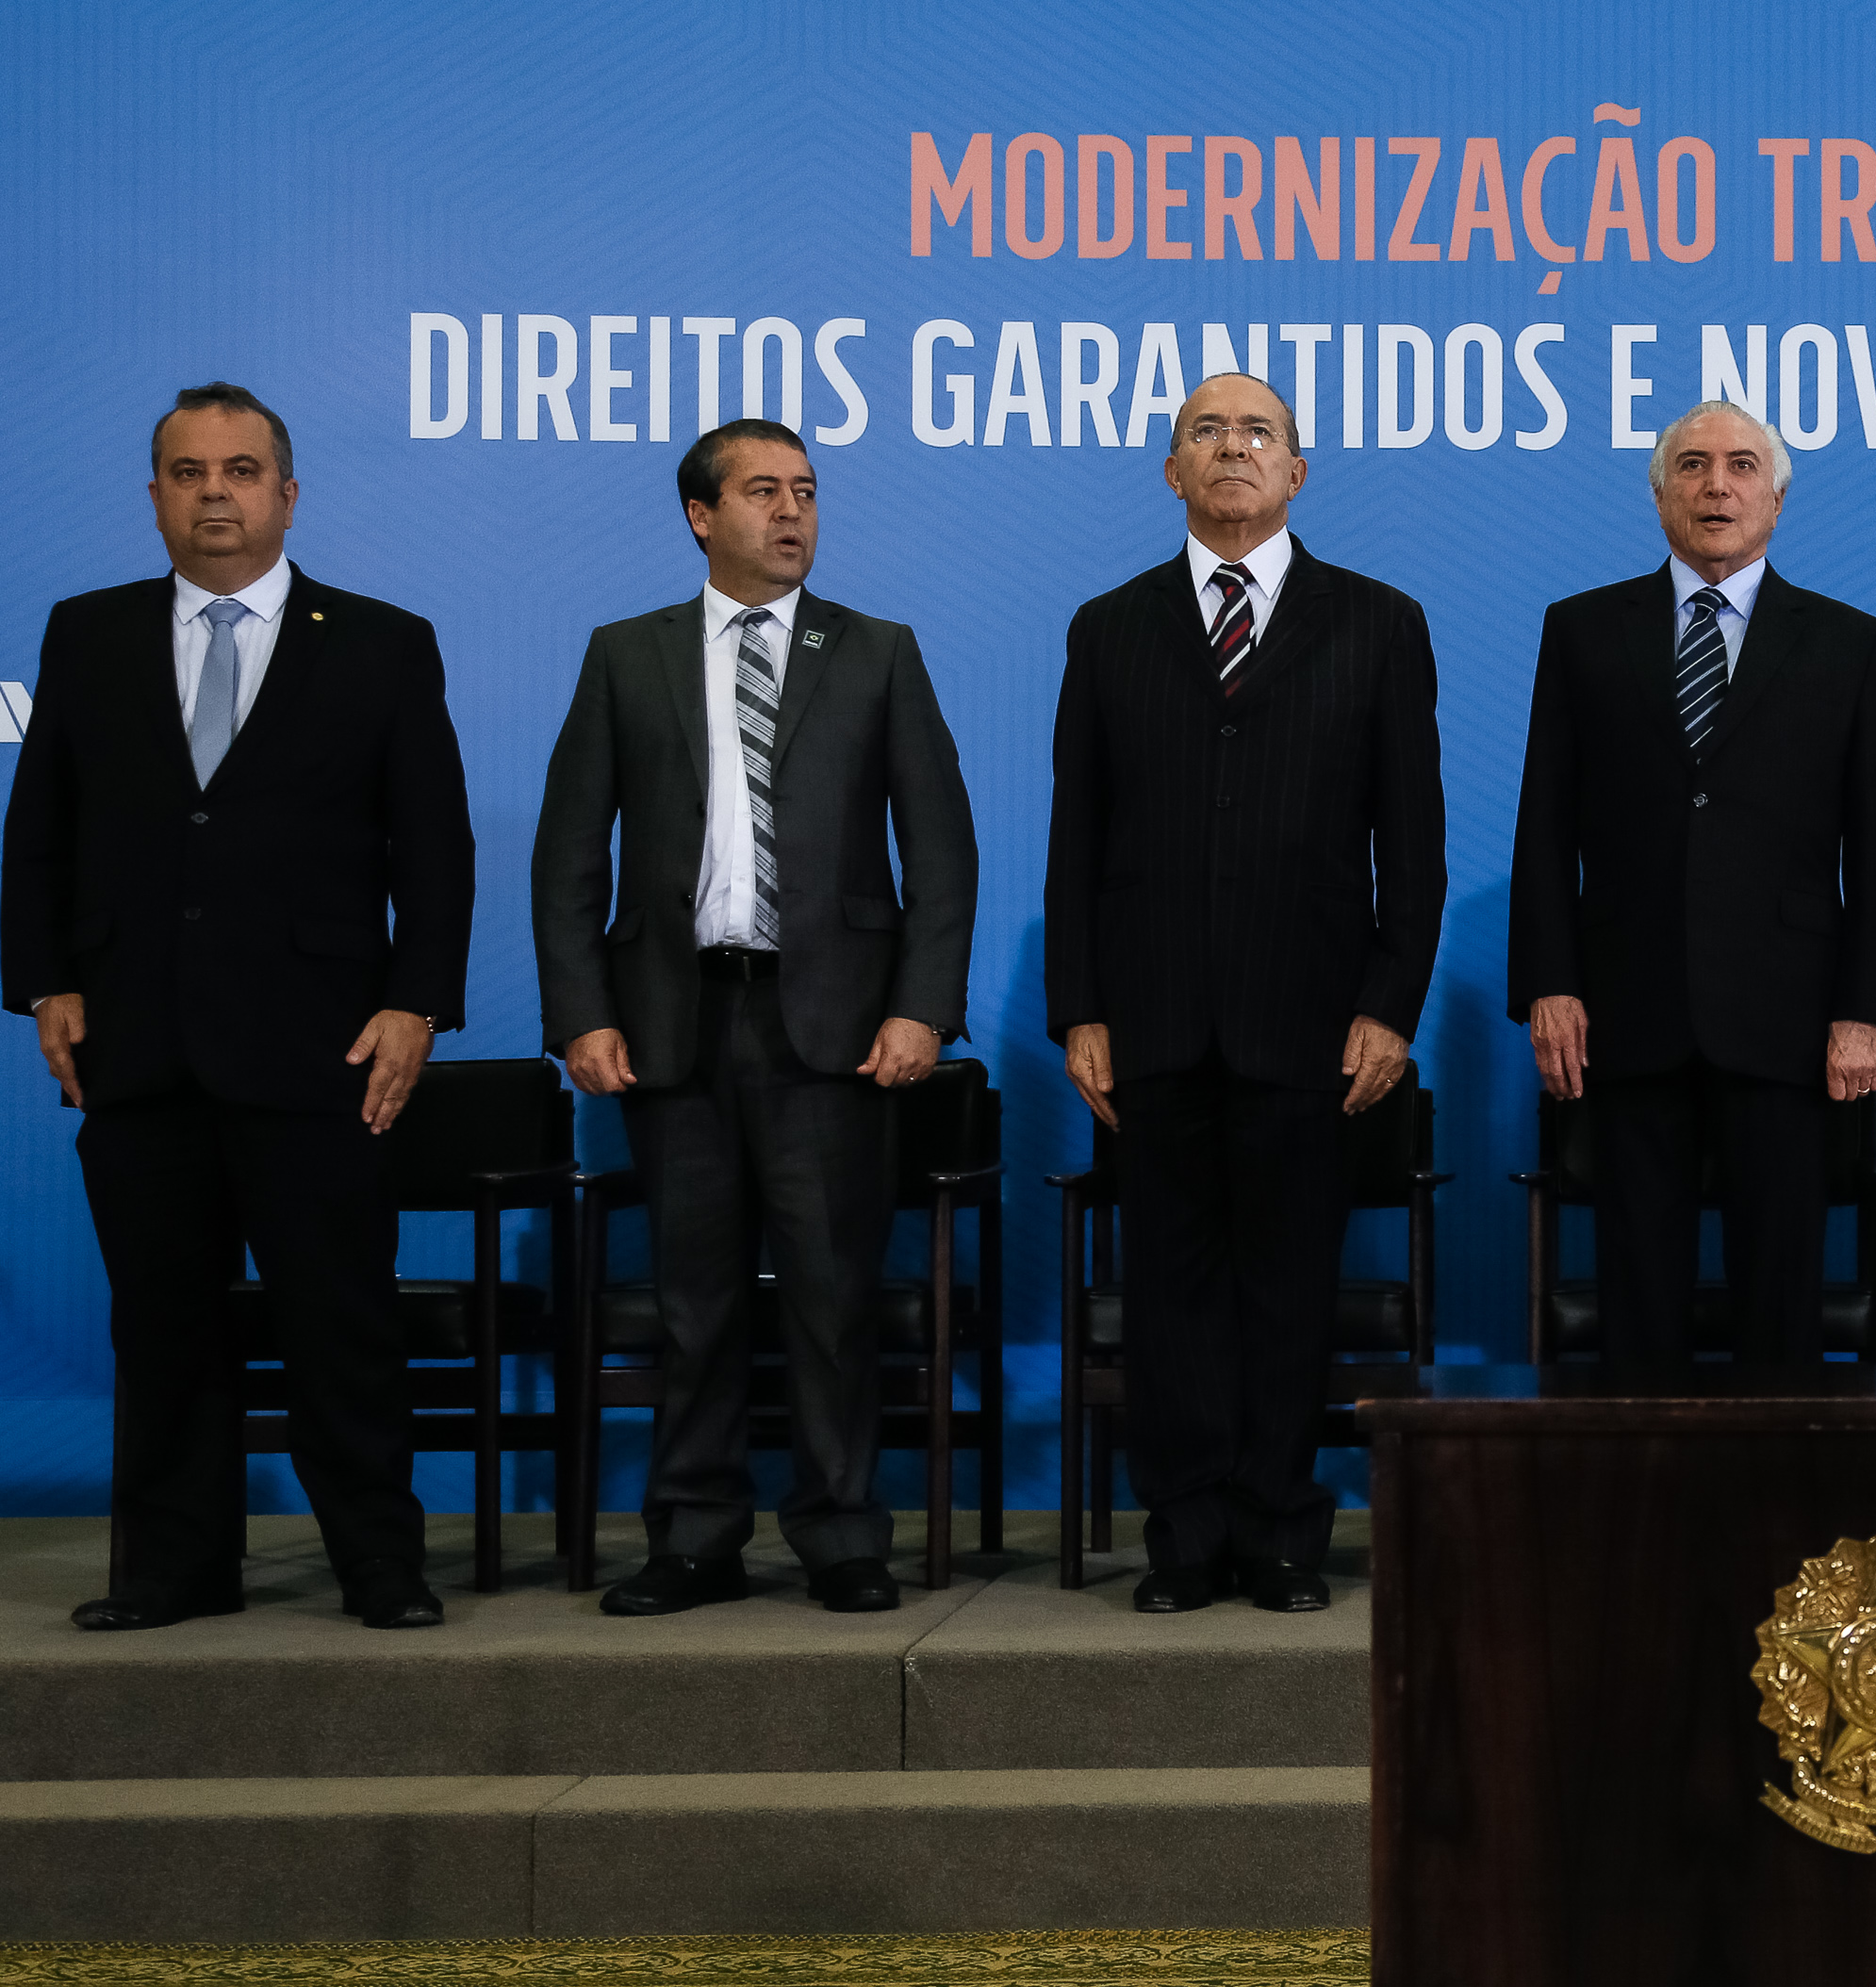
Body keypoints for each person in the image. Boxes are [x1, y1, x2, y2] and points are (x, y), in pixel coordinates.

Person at [1, 382, 472, 1631]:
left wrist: (416, 1002)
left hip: (323, 1048)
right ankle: (171, 1572)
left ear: (287, 492)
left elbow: (433, 848)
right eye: (189, 470)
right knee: (162, 1332)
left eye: (242, 469)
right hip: (136, 1047)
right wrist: (46, 978)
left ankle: (379, 1564)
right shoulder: (86, 632)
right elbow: (38, 830)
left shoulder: (379, 639)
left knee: (341, 1326)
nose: (217, 491)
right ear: (155, 494)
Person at [532, 419, 977, 1618]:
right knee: (695, 1299)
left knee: (833, 1294)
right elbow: (570, 851)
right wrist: (580, 1010)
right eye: (763, 492)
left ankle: (840, 1532)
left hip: (832, 1027)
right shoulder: (627, 655)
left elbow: (941, 849)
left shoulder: (877, 652)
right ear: (699, 515)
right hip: (675, 1021)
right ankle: (693, 1534)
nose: (792, 514)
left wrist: (923, 1009)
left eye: (808, 493)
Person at [1045, 373, 1446, 1615]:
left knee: (1286, 1293)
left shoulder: (1377, 622)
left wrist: (1388, 1005)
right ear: (1172, 472)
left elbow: (1413, 843)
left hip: (1313, 1024)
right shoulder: (1109, 627)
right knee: (1171, 1299)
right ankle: (1184, 1535)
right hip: (1154, 1023)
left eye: (1256, 433)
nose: (1232, 449)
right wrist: (1082, 1008)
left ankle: (1277, 1532)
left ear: (1296, 472)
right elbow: (1076, 839)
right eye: (1205, 433)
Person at [1508, 400, 1876, 1364]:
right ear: (1658, 497)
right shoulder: (1582, 631)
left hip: (1788, 1022)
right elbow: (1542, 828)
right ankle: (1643, 1513)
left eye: (1738, 466)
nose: (1715, 485)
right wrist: (1550, 987)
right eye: (1690, 466)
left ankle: (1778, 1514)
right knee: (1637, 1304)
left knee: (1780, 1302)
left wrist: (1862, 1012)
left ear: (1775, 497)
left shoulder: (1848, 642)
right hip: (1627, 1012)